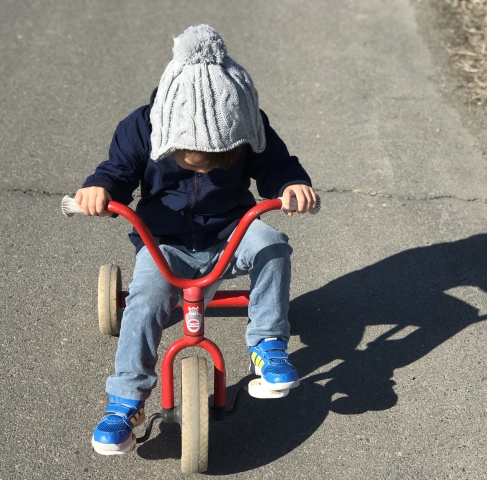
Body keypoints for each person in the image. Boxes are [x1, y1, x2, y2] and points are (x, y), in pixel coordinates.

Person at [75, 25, 316, 455]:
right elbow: (117, 170)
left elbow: (276, 164)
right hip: (164, 242)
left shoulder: (247, 122)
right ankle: (125, 399)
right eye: (190, 159)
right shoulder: (144, 126)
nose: (203, 169)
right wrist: (100, 190)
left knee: (273, 245)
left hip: (231, 232)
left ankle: (268, 344)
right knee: (147, 297)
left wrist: (291, 184)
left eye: (219, 159)